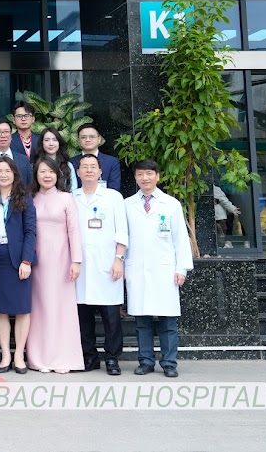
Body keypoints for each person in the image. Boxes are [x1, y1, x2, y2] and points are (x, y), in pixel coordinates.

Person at [124, 159, 193, 378]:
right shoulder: (127, 205)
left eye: (149, 174)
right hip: (136, 268)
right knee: (141, 320)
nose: (145, 178)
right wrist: (122, 264)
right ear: (135, 178)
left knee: (168, 320)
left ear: (157, 176)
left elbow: (180, 239)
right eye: (140, 174)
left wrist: (182, 268)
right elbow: (122, 239)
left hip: (165, 270)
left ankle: (169, 363)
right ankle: (145, 361)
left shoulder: (171, 204)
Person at [28, 156, 84, 373]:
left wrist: (76, 261)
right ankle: (39, 358)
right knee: (40, 309)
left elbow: (74, 231)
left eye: (50, 172)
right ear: (36, 175)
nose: (47, 176)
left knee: (62, 309)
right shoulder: (30, 198)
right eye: (42, 171)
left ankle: (64, 358)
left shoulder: (66, 198)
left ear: (57, 175)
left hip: (62, 261)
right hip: (37, 263)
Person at [74, 154, 128, 375]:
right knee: (83, 315)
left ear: (100, 171)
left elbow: (122, 230)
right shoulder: (72, 197)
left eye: (93, 167)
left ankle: (112, 358)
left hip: (108, 263)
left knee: (111, 315)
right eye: (84, 167)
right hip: (81, 265)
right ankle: (89, 357)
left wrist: (119, 259)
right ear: (77, 172)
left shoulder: (113, 197)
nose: (88, 170)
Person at [0, 156, 37, 374]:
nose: (3, 175)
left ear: (15, 174)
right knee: (0, 309)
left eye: (7, 171)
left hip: (18, 258)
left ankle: (19, 355)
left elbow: (30, 231)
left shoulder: (24, 198)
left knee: (22, 308)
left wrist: (27, 260)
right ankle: (5, 354)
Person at [69, 123, 122, 192]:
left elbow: (114, 188)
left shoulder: (111, 162)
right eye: (83, 137)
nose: (88, 140)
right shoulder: (71, 162)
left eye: (92, 137)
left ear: (99, 139)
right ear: (78, 140)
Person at [32, 126, 77, 193]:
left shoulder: (68, 165)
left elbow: (74, 189)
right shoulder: (35, 165)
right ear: (42, 143)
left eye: (54, 140)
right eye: (47, 140)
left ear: (59, 143)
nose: (51, 144)